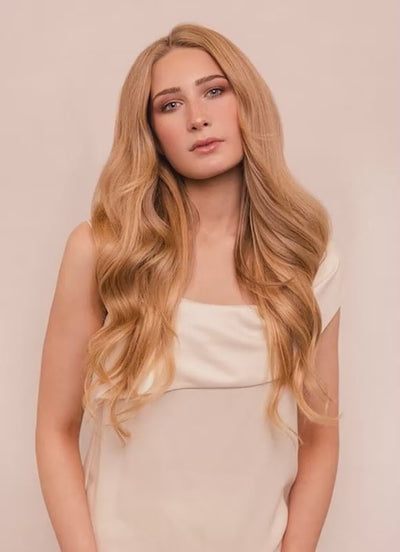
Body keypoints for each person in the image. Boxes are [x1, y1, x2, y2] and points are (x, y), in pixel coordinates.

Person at [35, 22, 343, 552]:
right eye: (170, 105)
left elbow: (320, 440)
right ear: (150, 131)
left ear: (248, 103)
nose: (197, 117)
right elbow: (54, 431)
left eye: (215, 91)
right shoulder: (102, 252)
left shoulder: (306, 259)